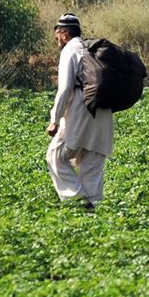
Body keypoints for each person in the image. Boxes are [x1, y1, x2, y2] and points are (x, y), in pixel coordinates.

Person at [46, 13, 113, 212]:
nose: (56, 39)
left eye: (57, 35)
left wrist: (54, 119)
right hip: (103, 113)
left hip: (79, 112)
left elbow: (65, 88)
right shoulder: (91, 49)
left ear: (64, 33)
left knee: (55, 156)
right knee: (92, 166)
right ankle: (93, 212)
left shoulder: (70, 50)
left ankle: (78, 202)